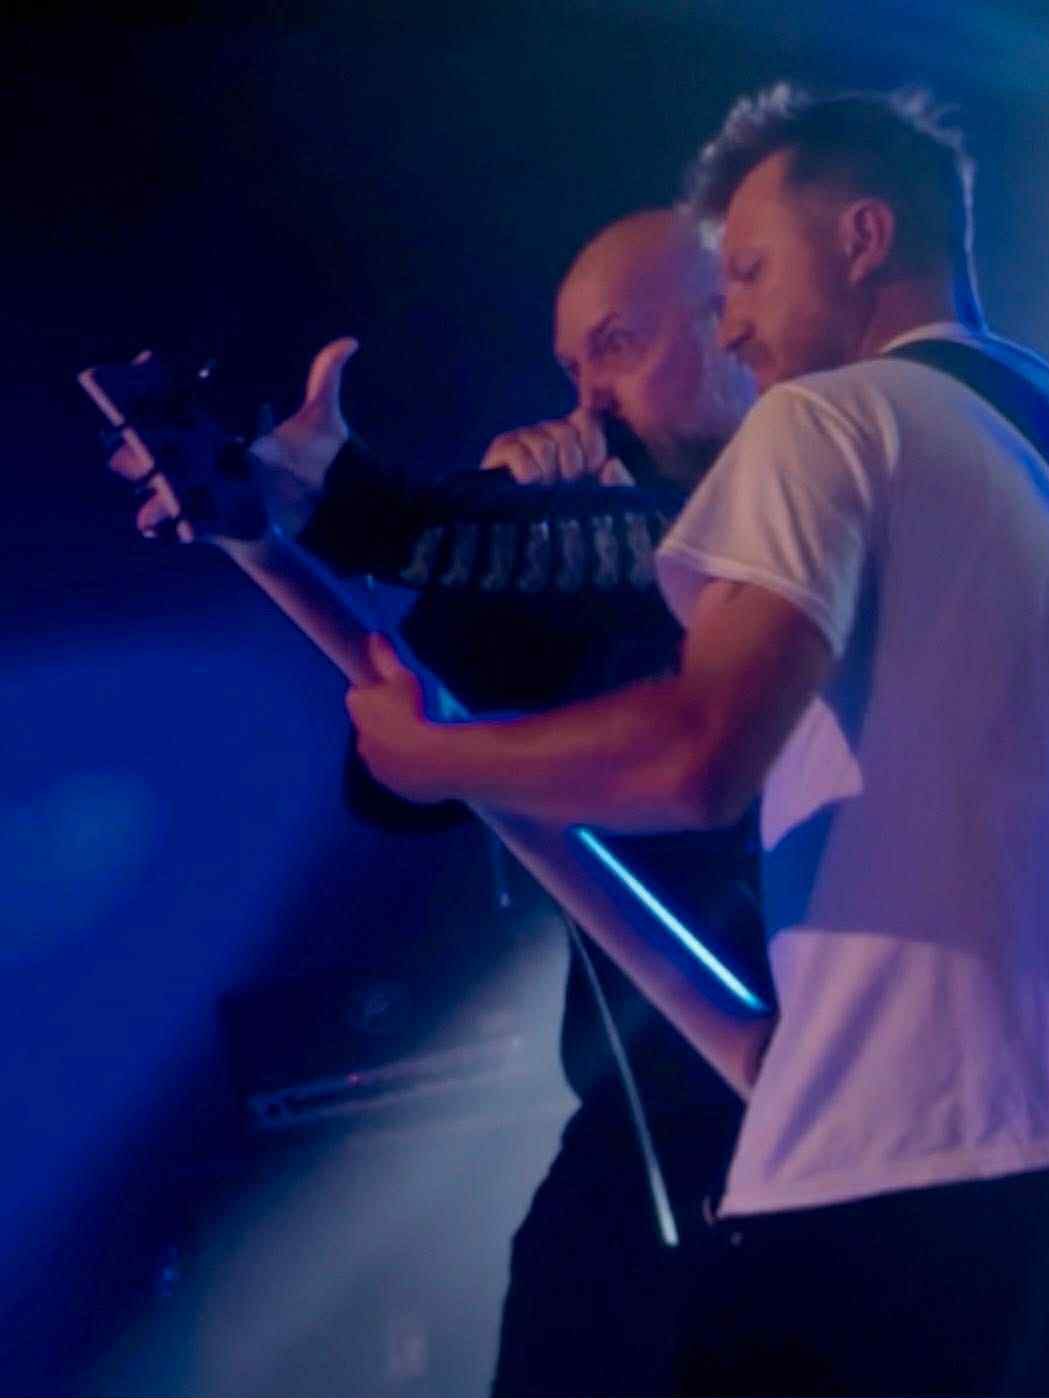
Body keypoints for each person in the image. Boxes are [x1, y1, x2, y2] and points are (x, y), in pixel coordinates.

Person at [345, 87, 1049, 1397]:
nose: (737, 319)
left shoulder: (825, 427)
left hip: (916, 1142)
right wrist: (494, 543)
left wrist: (432, 738)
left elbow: (696, 752)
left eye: (741, 277)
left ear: (854, 240)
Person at [113, 209, 768, 1398]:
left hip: (865, 1083)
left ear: (737, 323)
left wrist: (443, 520)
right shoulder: (567, 557)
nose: (589, 402)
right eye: (571, 368)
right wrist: (492, 537)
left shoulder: (808, 500)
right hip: (653, 1104)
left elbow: (675, 572)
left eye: (617, 347)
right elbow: (393, 784)